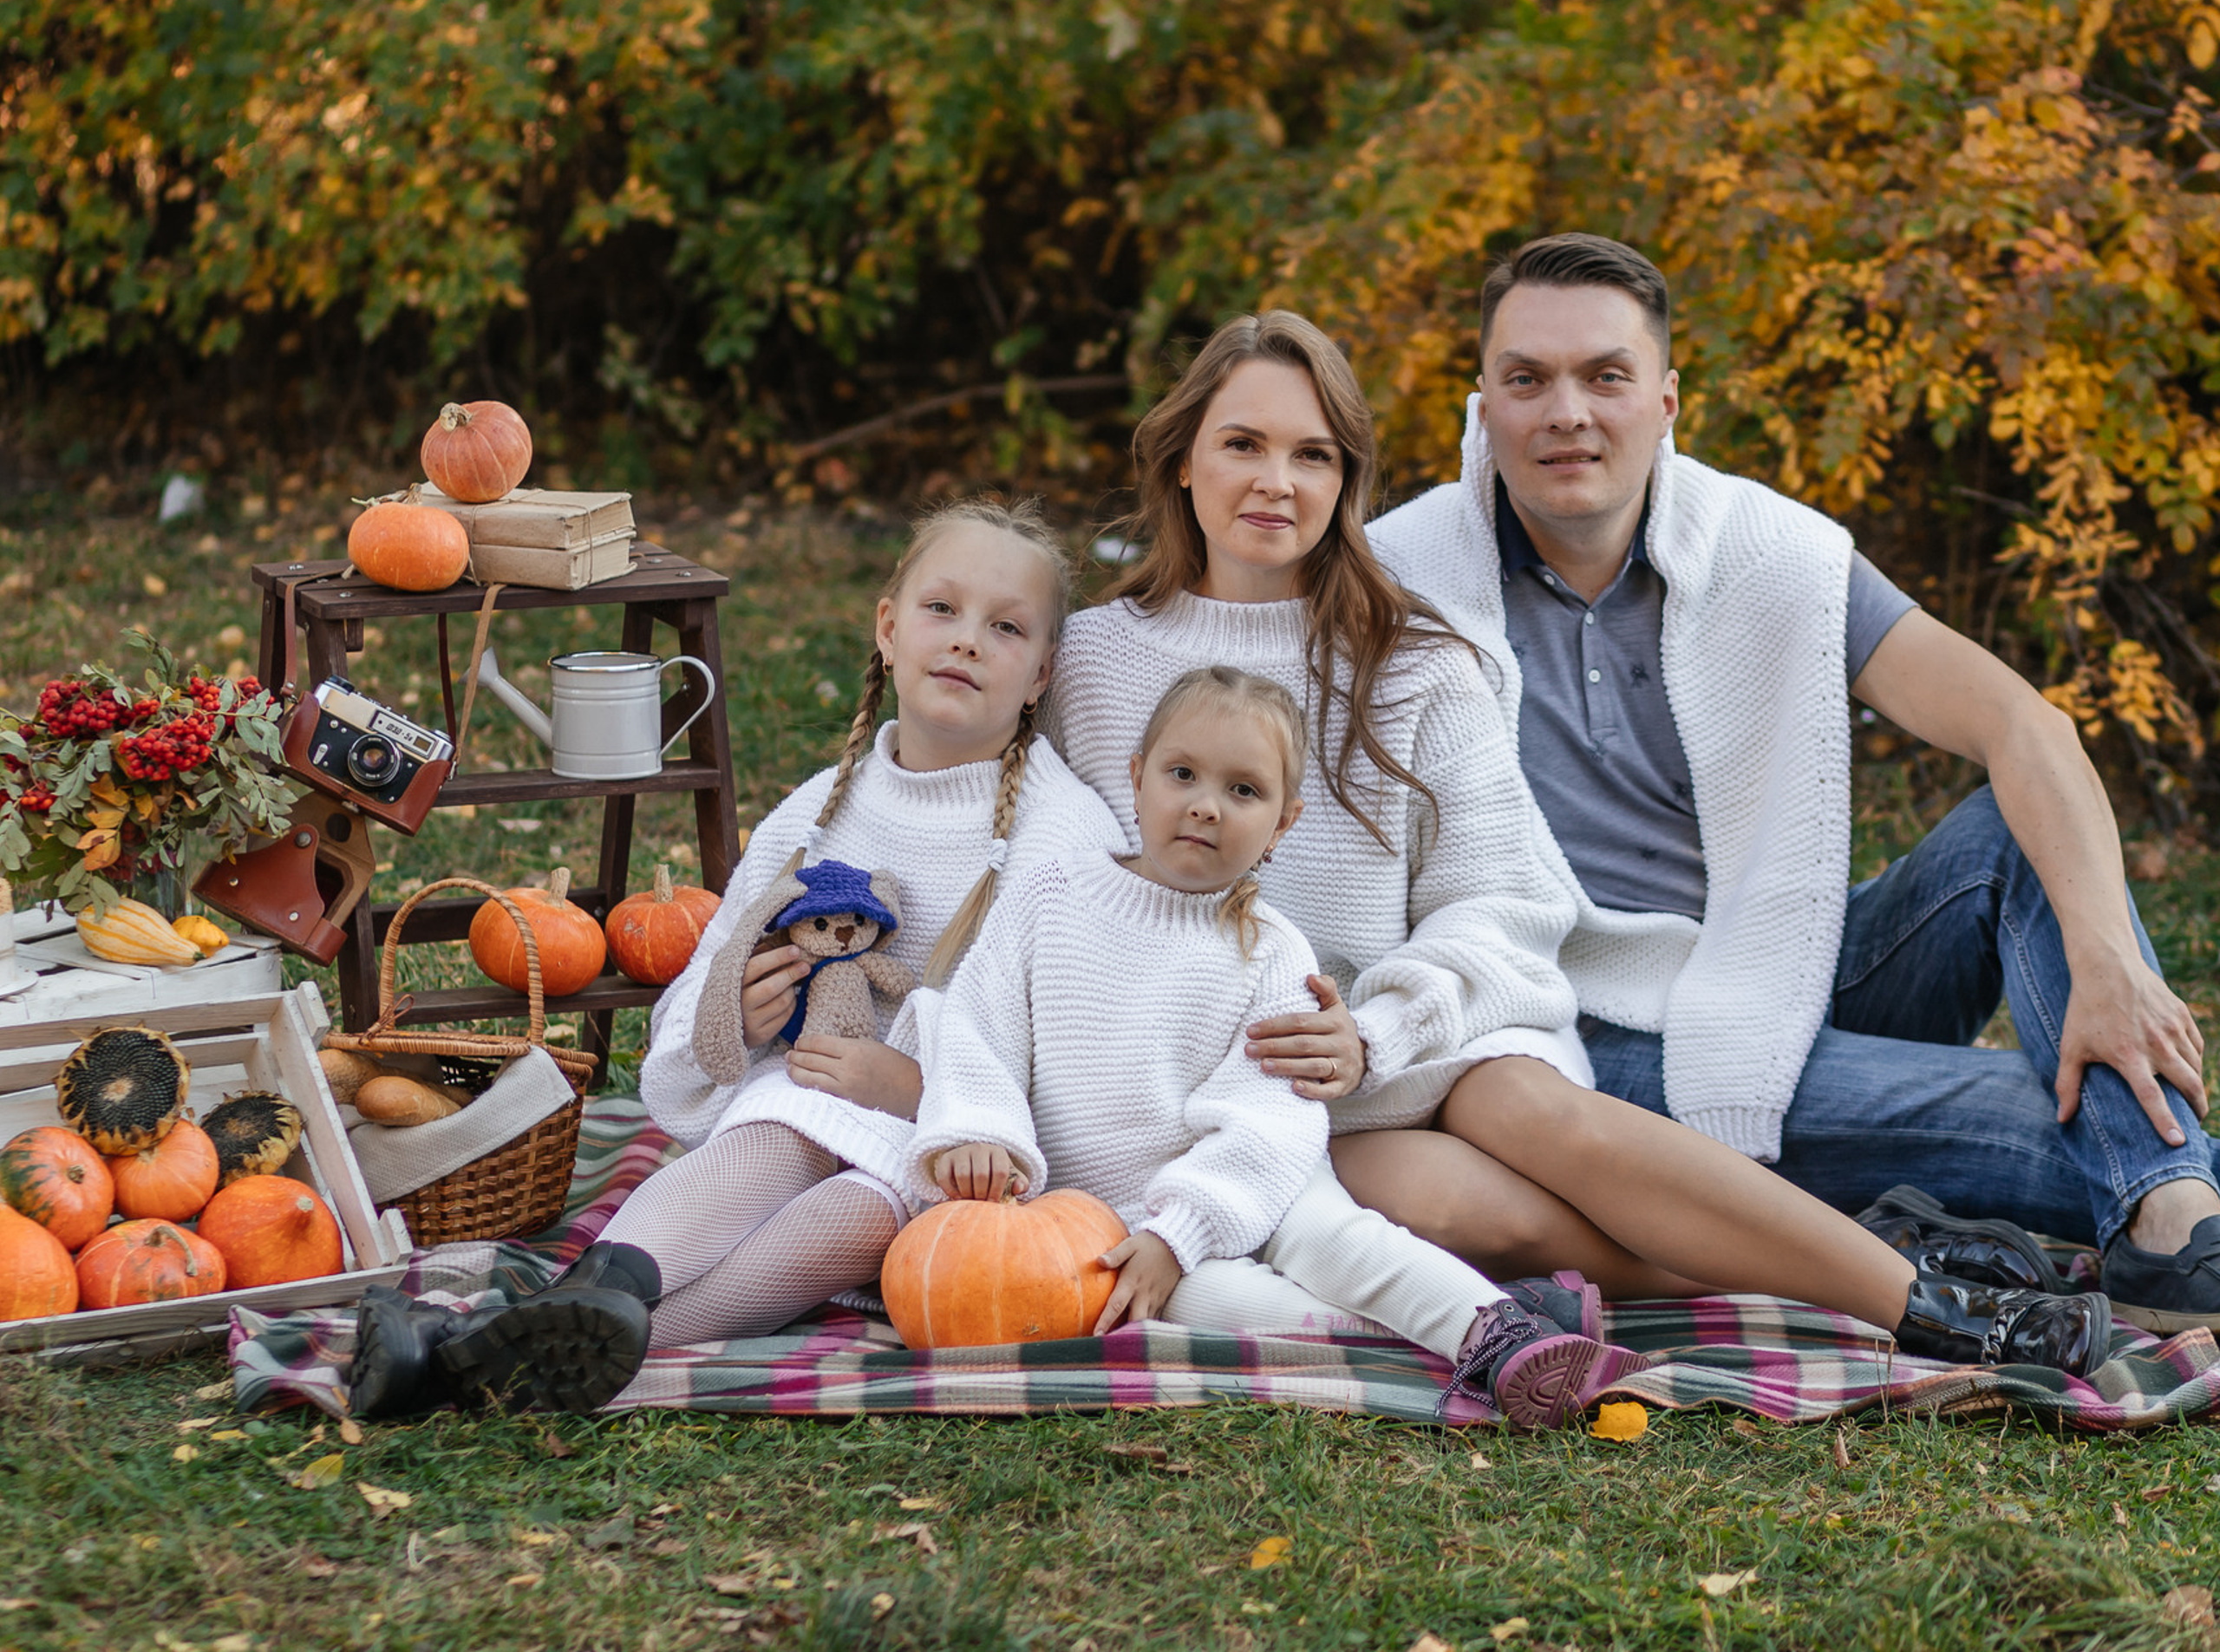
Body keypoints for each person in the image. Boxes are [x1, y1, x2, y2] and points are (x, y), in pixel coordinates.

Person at [1048, 310, 2110, 1386]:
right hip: (1203, 1078)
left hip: (1405, 1041)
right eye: (1243, 444)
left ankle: (1933, 1311)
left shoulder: (1410, 659)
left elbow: (1503, 901)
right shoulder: (1094, 662)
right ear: (1182, 459)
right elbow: (1046, 883)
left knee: (1521, 1101)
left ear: (1346, 482)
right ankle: (1868, 1252)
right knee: (1446, 1206)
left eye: (1312, 454)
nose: (1276, 479)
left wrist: (1377, 1028)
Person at [1367, 232, 2220, 1332]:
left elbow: (2023, 722)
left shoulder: (1766, 551)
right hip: (1587, 1038)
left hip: (1783, 971)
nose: (1565, 411)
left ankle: (2171, 1215)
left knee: (2014, 843)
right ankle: (2173, 1215)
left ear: (1667, 400)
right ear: (1482, 401)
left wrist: (2106, 963)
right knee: (2045, 1119)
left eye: (1605, 376)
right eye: (1527, 378)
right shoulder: (1395, 580)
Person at [347, 498, 1124, 1418]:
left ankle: (503, 1344)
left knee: (855, 1215)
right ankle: (573, 1315)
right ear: (886, 627)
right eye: (941, 609)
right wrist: (739, 1018)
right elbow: (706, 992)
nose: (965, 641)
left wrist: (911, 1089)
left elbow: (1079, 1060)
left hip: (945, 1155)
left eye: (1005, 628)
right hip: (796, 1113)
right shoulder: (817, 813)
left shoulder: (1064, 836)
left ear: (1041, 672)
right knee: (785, 1126)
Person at [912, 663, 1652, 1431]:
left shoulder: (1269, 953)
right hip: (1115, 1216)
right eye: (1182, 774)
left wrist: (1187, 1226)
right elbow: (977, 1026)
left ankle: (1494, 1334)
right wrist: (978, 1130)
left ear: (1282, 823)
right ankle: (1501, 1335)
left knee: (1339, 1244)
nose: (1205, 805)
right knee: (1218, 1306)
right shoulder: (1049, 896)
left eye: (1243, 791)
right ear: (1137, 780)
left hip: (1258, 1184)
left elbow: (1270, 1119)